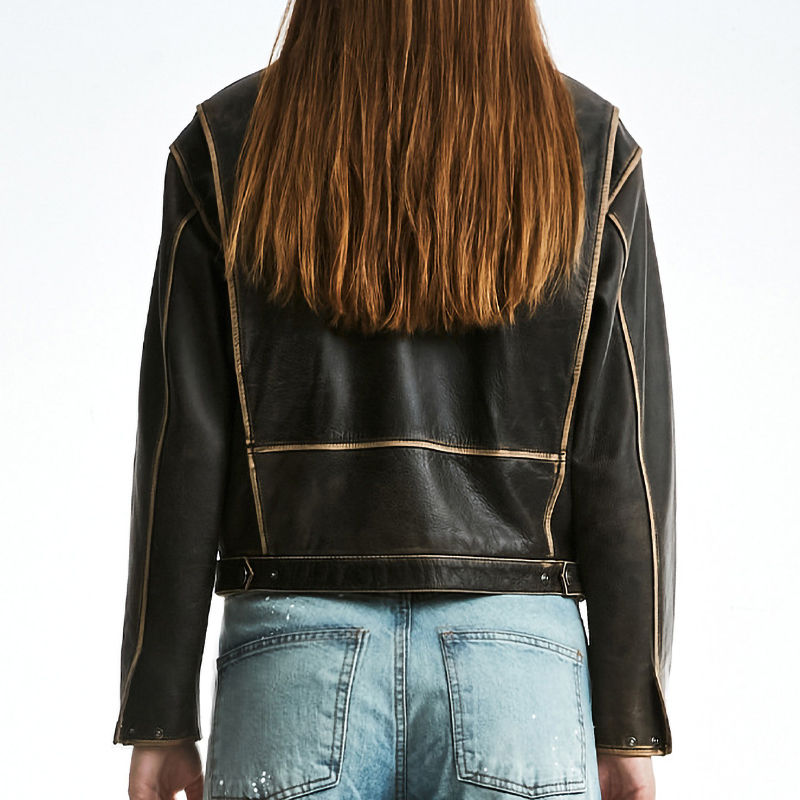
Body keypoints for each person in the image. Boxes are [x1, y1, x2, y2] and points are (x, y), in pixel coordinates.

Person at [113, 2, 677, 799]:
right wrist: (627, 724)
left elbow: (183, 444)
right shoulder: (591, 144)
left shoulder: (224, 142)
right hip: (519, 670)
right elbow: (624, 456)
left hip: (291, 660)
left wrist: (158, 712)